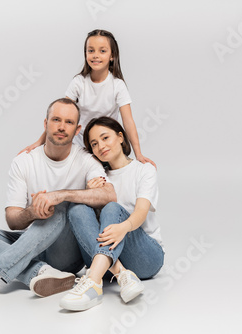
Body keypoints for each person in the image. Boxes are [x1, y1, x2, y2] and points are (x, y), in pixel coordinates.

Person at [0, 98, 116, 303]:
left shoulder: (87, 160)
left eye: (69, 122)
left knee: (58, 206)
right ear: (45, 124)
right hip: (33, 242)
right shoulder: (24, 161)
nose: (61, 127)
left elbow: (108, 195)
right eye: (56, 120)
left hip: (66, 253)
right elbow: (13, 220)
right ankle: (40, 272)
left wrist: (59, 195)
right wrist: (32, 212)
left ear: (77, 129)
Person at [59, 116, 164, 311]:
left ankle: (92, 281)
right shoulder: (99, 177)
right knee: (78, 207)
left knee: (113, 208)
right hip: (106, 263)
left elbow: (141, 212)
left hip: (145, 257)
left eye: (105, 138)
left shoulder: (144, 170)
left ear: (121, 137)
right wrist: (91, 194)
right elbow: (87, 223)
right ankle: (115, 277)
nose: (101, 146)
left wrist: (122, 228)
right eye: (94, 143)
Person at [18, 29, 155, 168]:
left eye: (102, 51)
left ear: (112, 55)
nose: (95, 55)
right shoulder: (79, 82)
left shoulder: (117, 85)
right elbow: (62, 114)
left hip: (105, 146)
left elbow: (128, 121)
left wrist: (138, 154)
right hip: (81, 146)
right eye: (91, 51)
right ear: (85, 54)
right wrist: (39, 142)